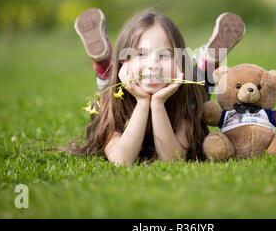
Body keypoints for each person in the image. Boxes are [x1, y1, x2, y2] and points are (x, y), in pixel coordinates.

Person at [68, 8, 245, 166]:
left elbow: (173, 159)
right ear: (126, 59)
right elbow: (121, 160)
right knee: (111, 86)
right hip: (120, 86)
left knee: (198, 89)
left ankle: (208, 60)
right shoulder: (113, 107)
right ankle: (105, 62)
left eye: (164, 55)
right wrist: (142, 101)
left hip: (186, 90)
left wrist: (158, 104)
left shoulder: (184, 104)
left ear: (178, 60)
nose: (153, 64)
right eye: (141, 54)